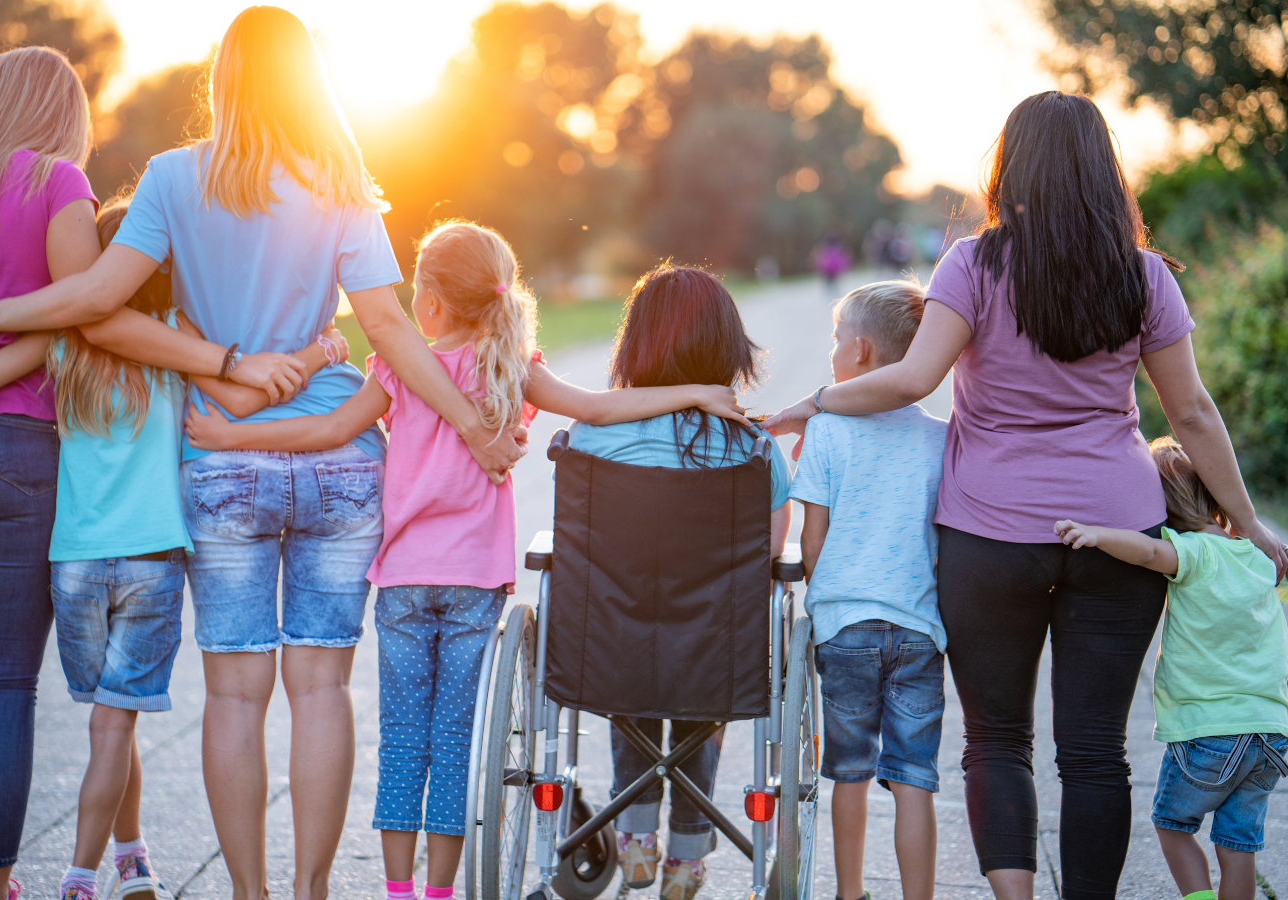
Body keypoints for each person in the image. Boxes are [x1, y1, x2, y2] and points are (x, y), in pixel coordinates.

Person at [0, 12, 525, 899]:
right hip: (340, 462)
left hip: (224, 464)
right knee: (321, 691)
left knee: (236, 697)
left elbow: (97, 300)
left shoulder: (170, 178)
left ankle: (251, 894)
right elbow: (386, 323)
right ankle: (312, 890)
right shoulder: (340, 180)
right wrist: (468, 421)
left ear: (222, 79)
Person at [761, 91, 1288, 900]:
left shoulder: (974, 263)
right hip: (1117, 533)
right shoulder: (1142, 274)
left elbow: (910, 378)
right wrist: (1245, 522)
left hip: (988, 538)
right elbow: (1191, 411)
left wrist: (816, 401)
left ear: (1011, 167)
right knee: (1093, 751)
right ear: (1101, 171)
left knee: (997, 741)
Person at [184, 222, 749, 900]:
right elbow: (599, 409)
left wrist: (229, 433)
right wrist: (692, 394)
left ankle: (397, 890)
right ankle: (440, 894)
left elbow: (330, 430)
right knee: (453, 748)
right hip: (476, 586)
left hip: (403, 582)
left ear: (429, 303)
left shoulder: (399, 368)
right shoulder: (512, 368)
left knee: (402, 745)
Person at [0, 46, 289, 900]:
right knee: (3, 684)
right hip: (13, 446)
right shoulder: (58, 187)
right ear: (58, 118)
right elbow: (91, 317)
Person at [0, 197, 347, 900]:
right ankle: (80, 877)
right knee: (117, 722)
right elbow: (241, 400)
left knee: (111, 721)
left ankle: (131, 857)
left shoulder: (65, 338)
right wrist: (322, 351)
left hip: (73, 564)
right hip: (152, 562)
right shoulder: (173, 336)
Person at [559, 265, 791, 900]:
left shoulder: (590, 435)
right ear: (726, 349)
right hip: (713, 648)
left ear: (635, 345)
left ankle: (634, 840)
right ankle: (687, 859)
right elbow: (768, 558)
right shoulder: (753, 448)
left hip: (614, 642)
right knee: (696, 690)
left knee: (629, 668)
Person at [1054, 438, 1288, 900]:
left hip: (1208, 731)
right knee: (1238, 846)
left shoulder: (1191, 552)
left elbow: (1148, 553)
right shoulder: (1260, 556)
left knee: (1173, 825)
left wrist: (1097, 533)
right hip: (1269, 734)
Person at [790, 280, 947, 900]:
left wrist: (821, 586)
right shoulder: (940, 438)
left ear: (858, 351)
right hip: (917, 629)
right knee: (914, 778)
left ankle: (850, 892)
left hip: (846, 629)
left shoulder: (828, 432)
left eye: (834, 340)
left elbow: (812, 542)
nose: (831, 352)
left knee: (849, 775)